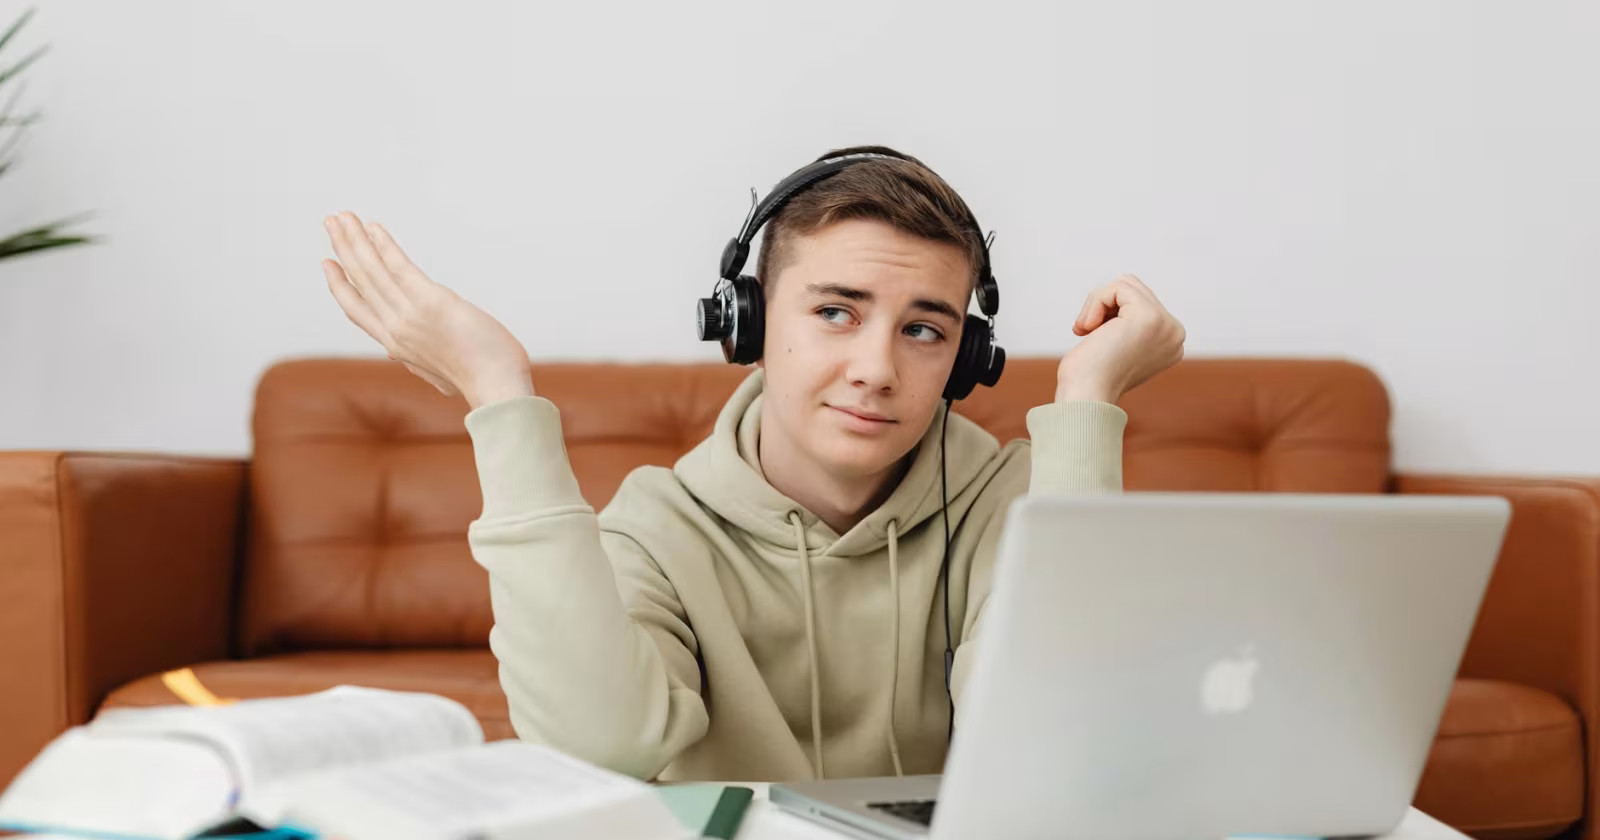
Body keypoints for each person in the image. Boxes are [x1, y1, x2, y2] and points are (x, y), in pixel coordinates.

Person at [319, 145, 1185, 783]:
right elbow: (596, 747)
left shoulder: (1013, 500)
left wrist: (1088, 401)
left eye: (925, 330)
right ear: (750, 324)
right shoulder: (658, 529)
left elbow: (1061, 740)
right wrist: (497, 394)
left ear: (967, 361)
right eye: (838, 313)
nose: (877, 369)